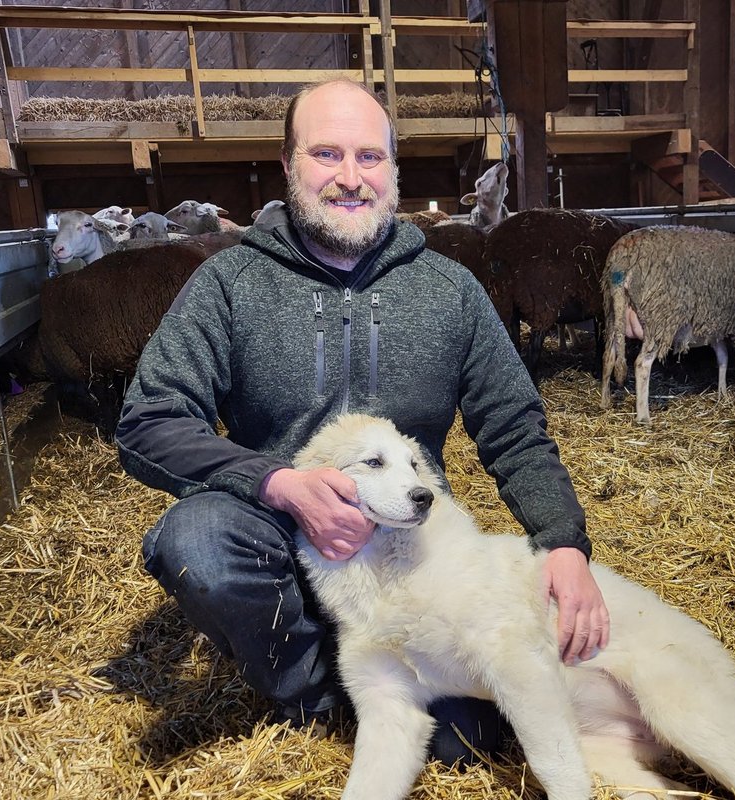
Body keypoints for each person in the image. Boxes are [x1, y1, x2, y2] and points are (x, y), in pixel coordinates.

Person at [114, 78, 610, 764]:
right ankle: (317, 694)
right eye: (326, 154)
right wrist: (277, 483)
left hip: (408, 551)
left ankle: (394, 694)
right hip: (283, 543)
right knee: (196, 540)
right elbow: (149, 420)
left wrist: (563, 541)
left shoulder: (447, 291)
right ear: (289, 167)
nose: (350, 178)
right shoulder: (231, 285)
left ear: (394, 172)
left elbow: (514, 426)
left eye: (370, 158)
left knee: (469, 743)